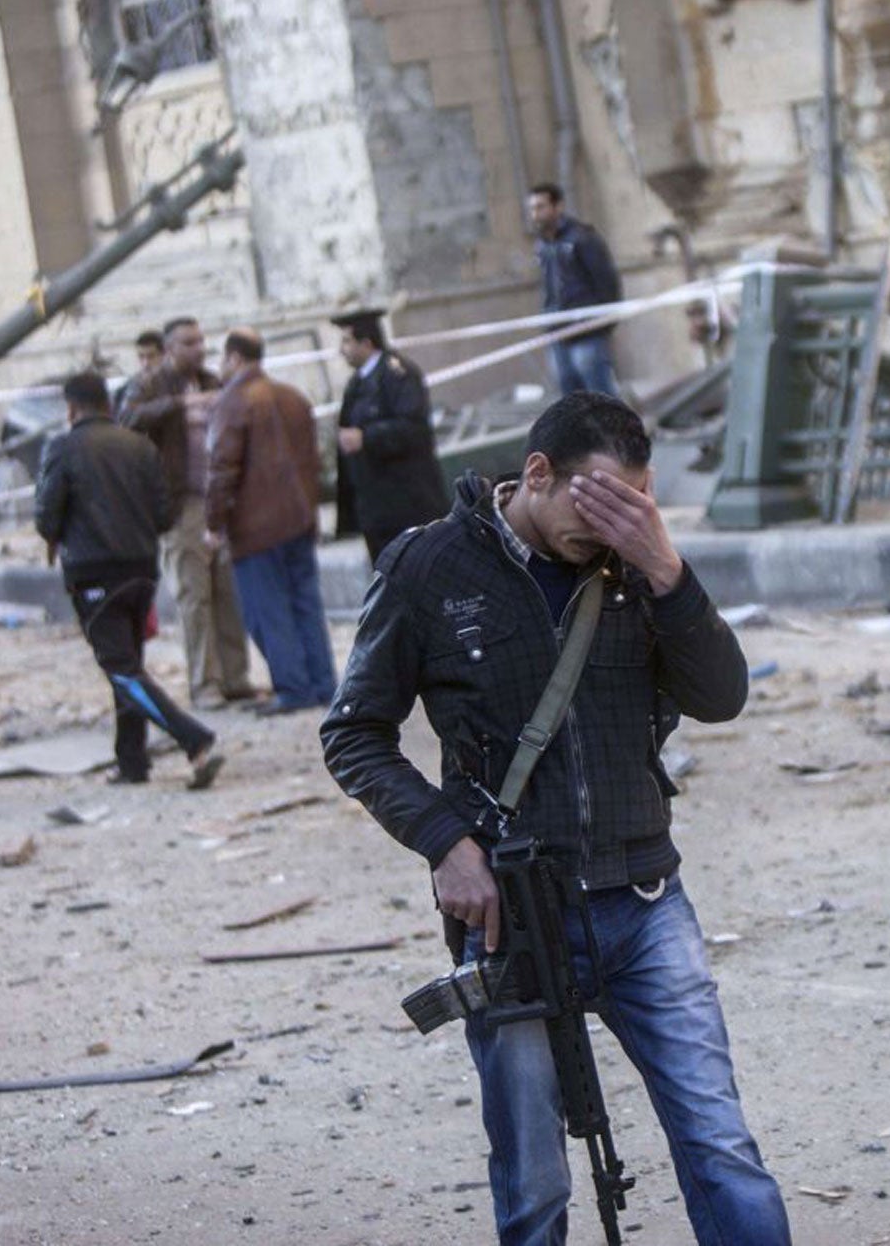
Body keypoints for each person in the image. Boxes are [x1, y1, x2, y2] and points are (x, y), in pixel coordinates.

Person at [320, 392, 789, 1245]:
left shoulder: (639, 568)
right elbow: (354, 734)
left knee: (722, 1149)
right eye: (599, 501)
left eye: (633, 505)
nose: (612, 524)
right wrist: (443, 842)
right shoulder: (428, 566)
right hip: (510, 913)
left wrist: (669, 573)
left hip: (643, 900)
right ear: (536, 474)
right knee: (533, 1180)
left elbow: (722, 697)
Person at [36, 371, 225, 789]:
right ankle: (132, 761)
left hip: (93, 573)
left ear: (70, 409)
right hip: (141, 569)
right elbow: (163, 513)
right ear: (107, 403)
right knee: (130, 665)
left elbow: (47, 514)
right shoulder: (141, 447)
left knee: (121, 670)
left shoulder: (63, 448)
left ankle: (192, 738)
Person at [120, 316, 256, 709]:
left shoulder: (214, 381)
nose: (198, 349)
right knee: (194, 595)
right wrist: (179, 405)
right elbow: (128, 419)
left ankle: (235, 677)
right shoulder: (149, 386)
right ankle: (204, 682)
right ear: (170, 349)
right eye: (188, 343)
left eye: (200, 341)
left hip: (219, 502)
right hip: (180, 505)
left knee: (227, 592)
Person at [205, 328, 335, 715]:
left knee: (268, 609)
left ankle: (293, 687)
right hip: (299, 520)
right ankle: (324, 684)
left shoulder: (233, 403)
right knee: (306, 604)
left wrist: (214, 523)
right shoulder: (293, 397)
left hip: (256, 528)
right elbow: (314, 462)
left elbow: (222, 469)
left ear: (233, 358)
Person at [332, 307, 448, 565]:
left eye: (346, 342)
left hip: (408, 505)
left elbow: (413, 428)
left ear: (366, 342)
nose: (342, 350)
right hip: (375, 509)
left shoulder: (399, 374)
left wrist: (367, 437)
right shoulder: (357, 383)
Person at [529, 183, 622, 397]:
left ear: (558, 206)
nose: (536, 214)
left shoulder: (582, 238)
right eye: (533, 208)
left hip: (586, 329)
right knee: (569, 395)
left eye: (541, 207)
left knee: (599, 394)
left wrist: (603, 321)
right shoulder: (542, 245)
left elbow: (606, 281)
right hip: (557, 330)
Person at [120, 328, 164, 406]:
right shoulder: (130, 386)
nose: (145, 363)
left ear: (164, 355)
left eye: (151, 356)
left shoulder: (178, 383)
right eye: (141, 357)